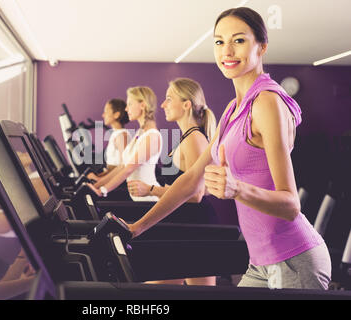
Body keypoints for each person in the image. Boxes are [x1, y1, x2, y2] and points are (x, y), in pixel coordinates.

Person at [127, 7, 331, 290]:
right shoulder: (233, 109)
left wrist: (237, 190)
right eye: (220, 42)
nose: (227, 51)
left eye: (239, 40)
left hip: (292, 261)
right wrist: (138, 227)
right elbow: (190, 179)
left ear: (262, 47)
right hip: (260, 262)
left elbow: (290, 205)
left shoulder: (267, 102)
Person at [128, 78, 218, 286]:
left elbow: (195, 194)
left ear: (187, 105)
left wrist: (151, 189)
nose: (163, 105)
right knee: (160, 289)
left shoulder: (194, 138)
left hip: (197, 227)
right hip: (182, 224)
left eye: (169, 99)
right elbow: (183, 187)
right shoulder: (186, 137)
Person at [88, 86, 162, 202]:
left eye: (130, 104)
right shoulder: (140, 133)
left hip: (148, 200)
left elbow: (128, 169)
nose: (126, 109)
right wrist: (97, 185)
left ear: (142, 105)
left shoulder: (152, 136)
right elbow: (123, 166)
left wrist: (102, 191)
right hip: (137, 199)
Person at [87, 98, 131, 181]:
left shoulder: (121, 135)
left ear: (116, 114)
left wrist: (99, 179)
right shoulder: (116, 133)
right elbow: (112, 169)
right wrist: (100, 176)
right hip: (112, 176)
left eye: (106, 111)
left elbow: (123, 167)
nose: (103, 115)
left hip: (118, 182)